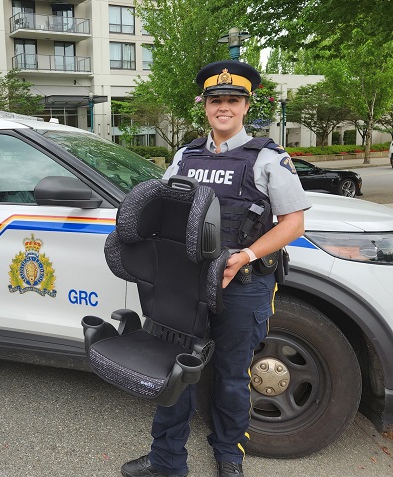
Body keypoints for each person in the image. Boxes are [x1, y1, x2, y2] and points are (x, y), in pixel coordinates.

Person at [121, 60, 311, 477]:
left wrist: (245, 256)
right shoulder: (185, 156)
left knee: (230, 376)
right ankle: (167, 460)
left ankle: (229, 457)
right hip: (187, 285)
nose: (223, 107)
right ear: (204, 106)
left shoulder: (267, 158)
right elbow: (164, 210)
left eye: (232, 100)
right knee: (177, 370)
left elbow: (293, 223)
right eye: (215, 100)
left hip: (241, 283)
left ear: (246, 105)